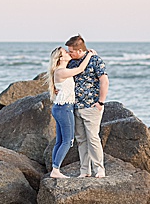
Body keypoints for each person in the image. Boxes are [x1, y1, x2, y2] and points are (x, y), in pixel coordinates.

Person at [46, 46, 95, 178]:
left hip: (60, 108)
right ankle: (55, 170)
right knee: (68, 141)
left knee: (60, 141)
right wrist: (89, 55)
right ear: (60, 58)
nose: (68, 53)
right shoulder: (61, 71)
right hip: (64, 109)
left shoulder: (61, 70)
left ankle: (54, 168)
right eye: (65, 52)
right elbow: (80, 69)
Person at [65, 34, 108, 178]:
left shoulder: (95, 60)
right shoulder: (71, 63)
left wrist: (101, 102)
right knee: (81, 140)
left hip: (91, 106)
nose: (69, 53)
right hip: (75, 107)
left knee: (93, 138)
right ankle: (85, 170)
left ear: (79, 50)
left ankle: (99, 169)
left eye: (71, 51)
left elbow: (104, 81)